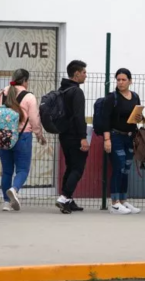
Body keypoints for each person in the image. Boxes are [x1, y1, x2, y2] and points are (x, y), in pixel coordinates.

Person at [0, 69, 47, 212]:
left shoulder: (2, 93)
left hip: (3, 135)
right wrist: (39, 135)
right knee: (23, 169)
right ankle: (14, 189)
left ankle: (6, 203)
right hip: (22, 136)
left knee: (6, 171)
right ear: (25, 81)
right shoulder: (29, 97)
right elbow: (34, 119)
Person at [103, 68, 142, 215]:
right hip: (115, 136)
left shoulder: (135, 97)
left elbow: (136, 115)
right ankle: (114, 203)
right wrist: (107, 140)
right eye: (118, 80)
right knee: (118, 166)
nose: (120, 82)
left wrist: (138, 117)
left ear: (130, 81)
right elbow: (105, 120)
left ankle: (124, 200)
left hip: (129, 136)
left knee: (126, 168)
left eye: (123, 79)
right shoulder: (111, 98)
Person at [56, 60, 89, 214]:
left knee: (70, 167)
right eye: (84, 72)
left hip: (63, 135)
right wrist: (83, 137)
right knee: (77, 168)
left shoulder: (62, 89)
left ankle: (69, 200)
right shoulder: (76, 92)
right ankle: (64, 197)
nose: (86, 75)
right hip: (75, 136)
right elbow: (78, 116)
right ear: (76, 74)